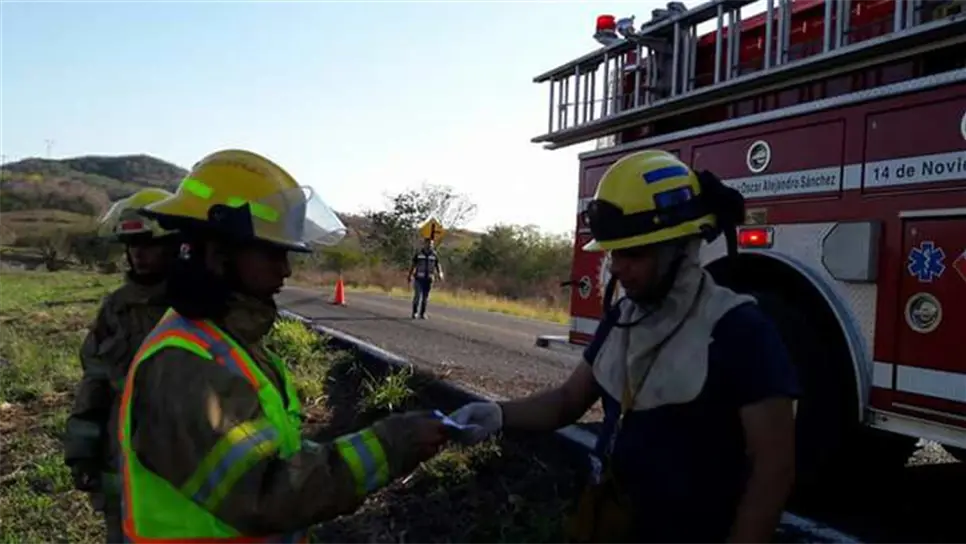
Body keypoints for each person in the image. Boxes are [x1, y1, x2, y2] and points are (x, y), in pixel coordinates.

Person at [450, 149, 799, 544]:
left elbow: (773, 469)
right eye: (614, 251)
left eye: (633, 253)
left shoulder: (739, 330)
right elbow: (568, 400)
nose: (616, 267)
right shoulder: (624, 317)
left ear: (680, 247)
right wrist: (498, 414)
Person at [118, 148, 449, 542]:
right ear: (219, 251)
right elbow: (267, 494)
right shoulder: (184, 364)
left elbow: (276, 452)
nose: (286, 269)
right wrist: (391, 443)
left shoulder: (225, 342)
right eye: (273, 252)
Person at [64, 188, 181, 544]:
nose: (138, 254)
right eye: (131, 245)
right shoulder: (117, 308)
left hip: (182, 453)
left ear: (173, 246)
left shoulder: (191, 305)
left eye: (148, 244)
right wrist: (82, 452)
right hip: (124, 453)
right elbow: (94, 382)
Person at [407, 237, 443, 319]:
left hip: (429, 279)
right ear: (424, 244)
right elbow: (413, 265)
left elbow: (438, 265)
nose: (430, 245)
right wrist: (410, 275)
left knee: (425, 297)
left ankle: (422, 313)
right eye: (428, 243)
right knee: (417, 296)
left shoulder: (434, 254)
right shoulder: (419, 254)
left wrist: (440, 273)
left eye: (431, 244)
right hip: (419, 279)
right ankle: (415, 312)